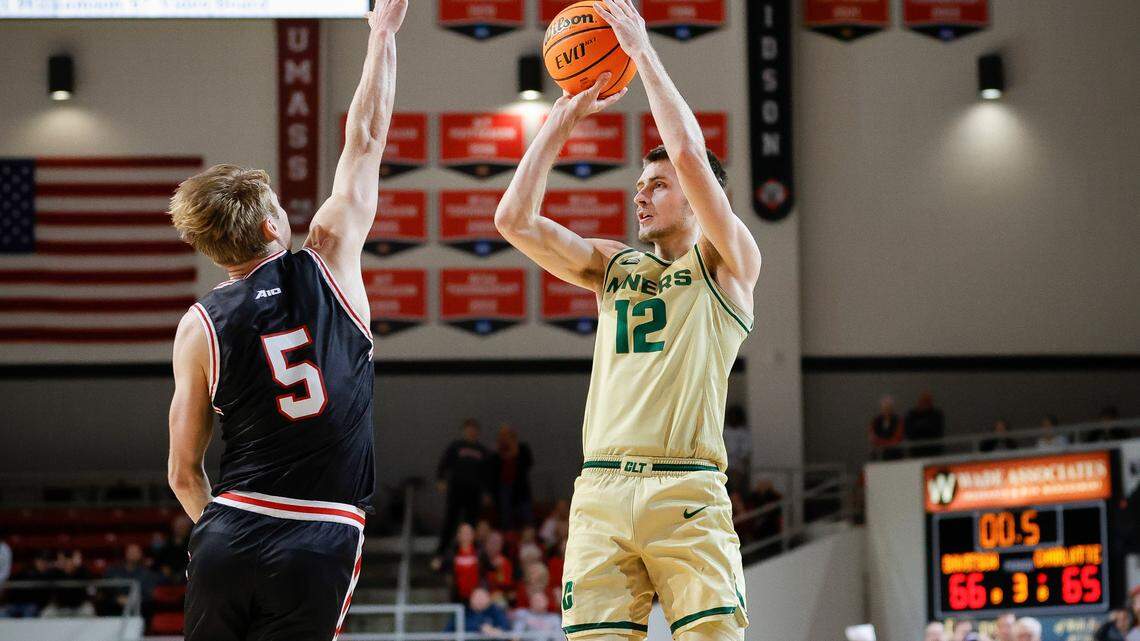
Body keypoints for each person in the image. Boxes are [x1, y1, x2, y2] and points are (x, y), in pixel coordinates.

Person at [495, 2, 761, 638]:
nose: (641, 194)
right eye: (639, 185)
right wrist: (559, 122)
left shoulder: (729, 263)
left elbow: (692, 157)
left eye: (657, 185)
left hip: (686, 489)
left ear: (699, 201)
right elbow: (514, 221)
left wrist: (642, 53)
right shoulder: (613, 266)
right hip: (601, 492)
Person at [165, 3, 407, 640]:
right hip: (320, 531)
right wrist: (382, 35)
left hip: (228, 529)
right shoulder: (326, 259)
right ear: (273, 225)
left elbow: (182, 472)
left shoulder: (199, 326)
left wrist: (223, 535)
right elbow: (367, 138)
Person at [435, 419, 491, 561]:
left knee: (471, 523)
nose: (471, 431)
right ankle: (441, 552)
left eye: (474, 429)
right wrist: (441, 480)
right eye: (469, 429)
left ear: (477, 432)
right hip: (456, 490)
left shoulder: (482, 450)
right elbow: (443, 464)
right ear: (464, 430)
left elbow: (487, 474)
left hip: (474, 493)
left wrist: (486, 492)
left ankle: (468, 552)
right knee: (451, 521)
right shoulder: (456, 446)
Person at [490, 424, 535, 530]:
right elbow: (492, 473)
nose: (506, 438)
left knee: (527, 517)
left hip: (521, 489)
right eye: (503, 435)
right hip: (504, 489)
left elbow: (528, 463)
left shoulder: (523, 449)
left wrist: (514, 452)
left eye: (508, 435)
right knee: (506, 518)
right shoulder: (497, 454)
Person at [444, 586, 510, 637]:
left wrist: (497, 630)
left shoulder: (495, 610)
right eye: (477, 598)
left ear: (489, 599)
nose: (480, 601)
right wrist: (480, 628)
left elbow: (506, 626)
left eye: (482, 598)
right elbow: (447, 632)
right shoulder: (463, 612)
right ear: (471, 599)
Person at [905, 391, 945, 457]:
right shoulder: (911, 414)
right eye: (923, 401)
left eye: (927, 401)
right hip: (916, 450)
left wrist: (920, 427)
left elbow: (937, 431)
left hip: (933, 450)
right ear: (919, 402)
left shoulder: (937, 414)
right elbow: (910, 432)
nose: (925, 404)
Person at [723, 405, 752, 493]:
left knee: (737, 489)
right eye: (731, 416)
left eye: (735, 416)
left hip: (738, 466)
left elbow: (746, 452)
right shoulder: (725, 431)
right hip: (725, 465)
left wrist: (740, 467)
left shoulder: (743, 433)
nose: (733, 418)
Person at [868, 395, 904, 460]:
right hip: (879, 453)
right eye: (884, 408)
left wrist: (885, 444)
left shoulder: (898, 420)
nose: (886, 410)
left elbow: (898, 437)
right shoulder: (875, 421)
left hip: (895, 453)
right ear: (881, 408)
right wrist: (883, 444)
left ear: (892, 408)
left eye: (888, 407)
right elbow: (872, 437)